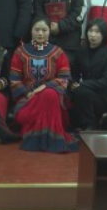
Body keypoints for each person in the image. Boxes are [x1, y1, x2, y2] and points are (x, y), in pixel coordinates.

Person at [9, 17, 78, 152]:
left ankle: (44, 139)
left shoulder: (58, 52)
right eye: (37, 29)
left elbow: (65, 78)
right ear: (31, 31)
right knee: (38, 103)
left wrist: (45, 86)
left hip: (51, 101)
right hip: (27, 100)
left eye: (44, 30)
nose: (40, 33)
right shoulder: (20, 52)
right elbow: (14, 79)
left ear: (49, 31)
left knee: (49, 94)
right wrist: (28, 93)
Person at [68, 19, 107, 130]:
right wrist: (73, 83)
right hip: (82, 92)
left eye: (97, 32)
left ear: (104, 34)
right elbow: (74, 72)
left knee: (82, 92)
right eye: (90, 31)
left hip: (102, 95)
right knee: (72, 92)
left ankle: (90, 124)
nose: (93, 35)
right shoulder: (81, 51)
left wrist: (83, 84)